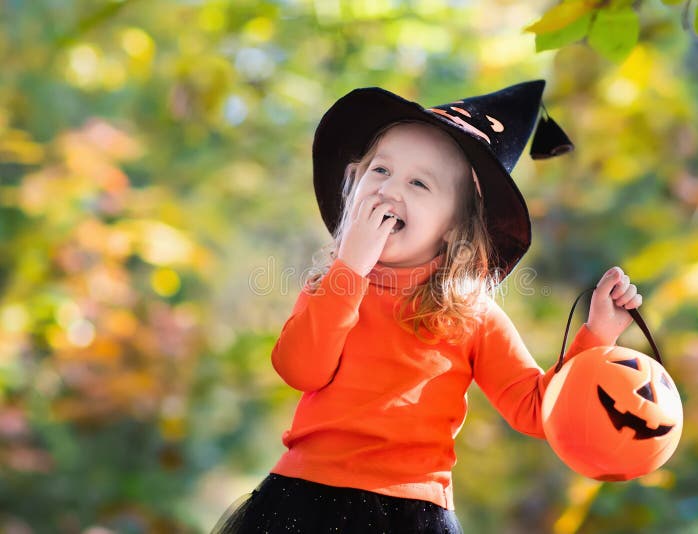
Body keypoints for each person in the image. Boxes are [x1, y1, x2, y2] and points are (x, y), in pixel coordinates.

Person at [211, 80, 643, 533]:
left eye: (419, 182)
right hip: (305, 500)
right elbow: (300, 370)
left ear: (456, 227)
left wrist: (597, 336)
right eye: (380, 171)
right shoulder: (330, 287)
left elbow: (537, 409)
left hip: (411, 514)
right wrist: (349, 269)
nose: (390, 190)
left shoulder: (472, 315)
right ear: (353, 187)